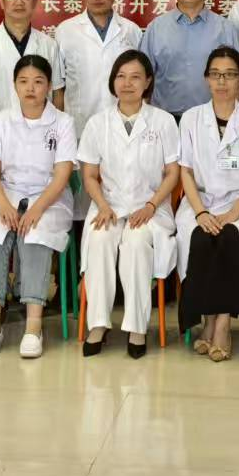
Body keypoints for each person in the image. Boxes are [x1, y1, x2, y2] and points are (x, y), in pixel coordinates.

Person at [78, 51, 179, 358]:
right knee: (100, 239)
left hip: (149, 208)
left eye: (135, 77)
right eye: (121, 76)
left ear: (148, 82)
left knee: (135, 243)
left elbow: (172, 173)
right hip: (107, 205)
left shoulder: (163, 121)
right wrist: (102, 205)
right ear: (113, 81)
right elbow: (89, 175)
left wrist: (151, 206)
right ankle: (99, 323)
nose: (127, 83)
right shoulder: (98, 123)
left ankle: (137, 327)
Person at [176, 45, 239, 361]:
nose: (222, 81)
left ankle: (221, 325)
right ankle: (208, 318)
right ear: (206, 78)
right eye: (216, 74)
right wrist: (201, 212)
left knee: (230, 235)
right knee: (201, 235)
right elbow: (185, 172)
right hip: (200, 200)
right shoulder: (191, 119)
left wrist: (235, 211)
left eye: (230, 74)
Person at [0, 54, 76, 359]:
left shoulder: (63, 122)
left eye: (38, 82)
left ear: (49, 86)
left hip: (49, 198)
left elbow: (62, 175)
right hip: (5, 193)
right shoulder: (0, 120)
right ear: (14, 85)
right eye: (23, 81)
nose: (30, 88)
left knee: (35, 234)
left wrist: (36, 209)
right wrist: (4, 205)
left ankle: (33, 326)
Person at [57, 0, 143, 151]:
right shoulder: (65, 31)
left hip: (123, 127)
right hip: (79, 129)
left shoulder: (131, 31)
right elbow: (58, 88)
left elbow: (142, 84)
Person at [140, 0, 239, 119]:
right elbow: (142, 78)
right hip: (165, 120)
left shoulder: (226, 29)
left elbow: (237, 79)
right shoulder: (156, 28)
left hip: (212, 118)